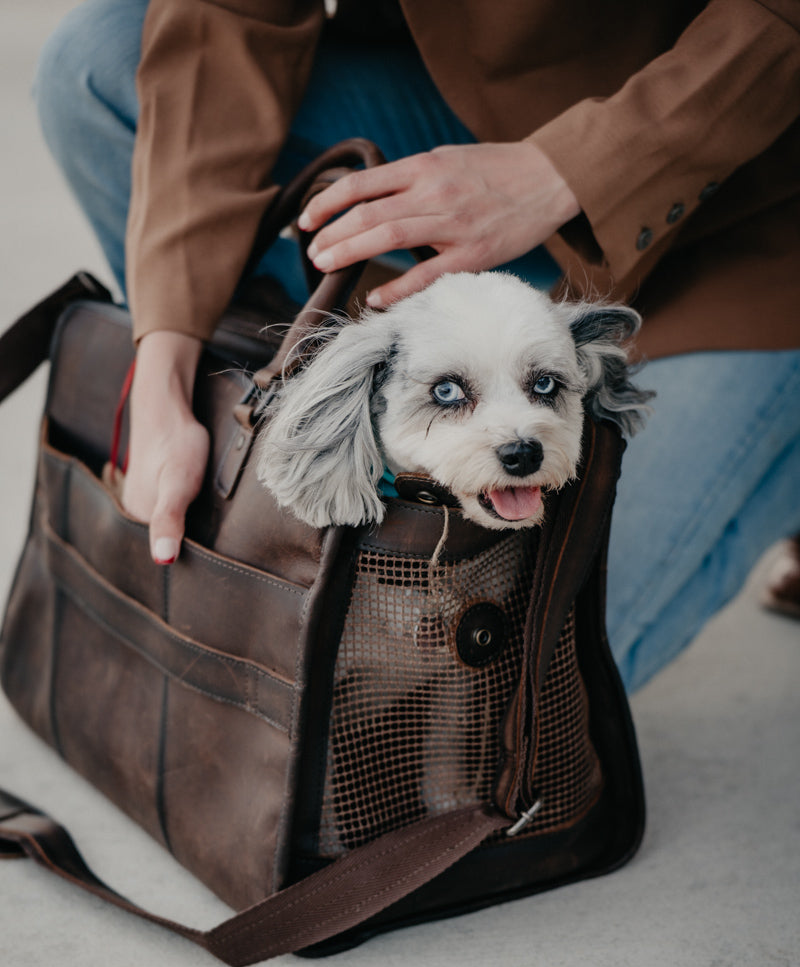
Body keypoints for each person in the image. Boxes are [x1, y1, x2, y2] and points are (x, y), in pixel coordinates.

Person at [35, 0, 800, 692]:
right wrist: (165, 374)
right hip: (476, 101)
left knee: (518, 686)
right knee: (101, 62)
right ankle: (341, 429)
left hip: (754, 197)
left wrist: (565, 173)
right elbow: (225, 17)